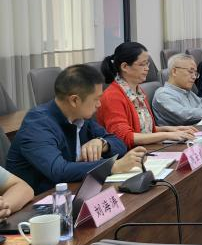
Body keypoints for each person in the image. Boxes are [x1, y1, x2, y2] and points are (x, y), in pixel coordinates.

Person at [4, 65, 145, 194]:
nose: (99, 104)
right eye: (96, 99)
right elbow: (59, 171)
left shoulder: (81, 116)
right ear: (74, 100)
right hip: (39, 202)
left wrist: (102, 143)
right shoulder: (37, 124)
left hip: (74, 190)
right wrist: (112, 166)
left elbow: (119, 144)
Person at [96, 42, 196, 148]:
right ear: (125, 67)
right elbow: (124, 137)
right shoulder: (112, 96)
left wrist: (172, 129)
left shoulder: (138, 91)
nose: (147, 68)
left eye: (147, 64)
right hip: (129, 154)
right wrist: (167, 135)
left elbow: (144, 130)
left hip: (147, 149)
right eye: (142, 64)